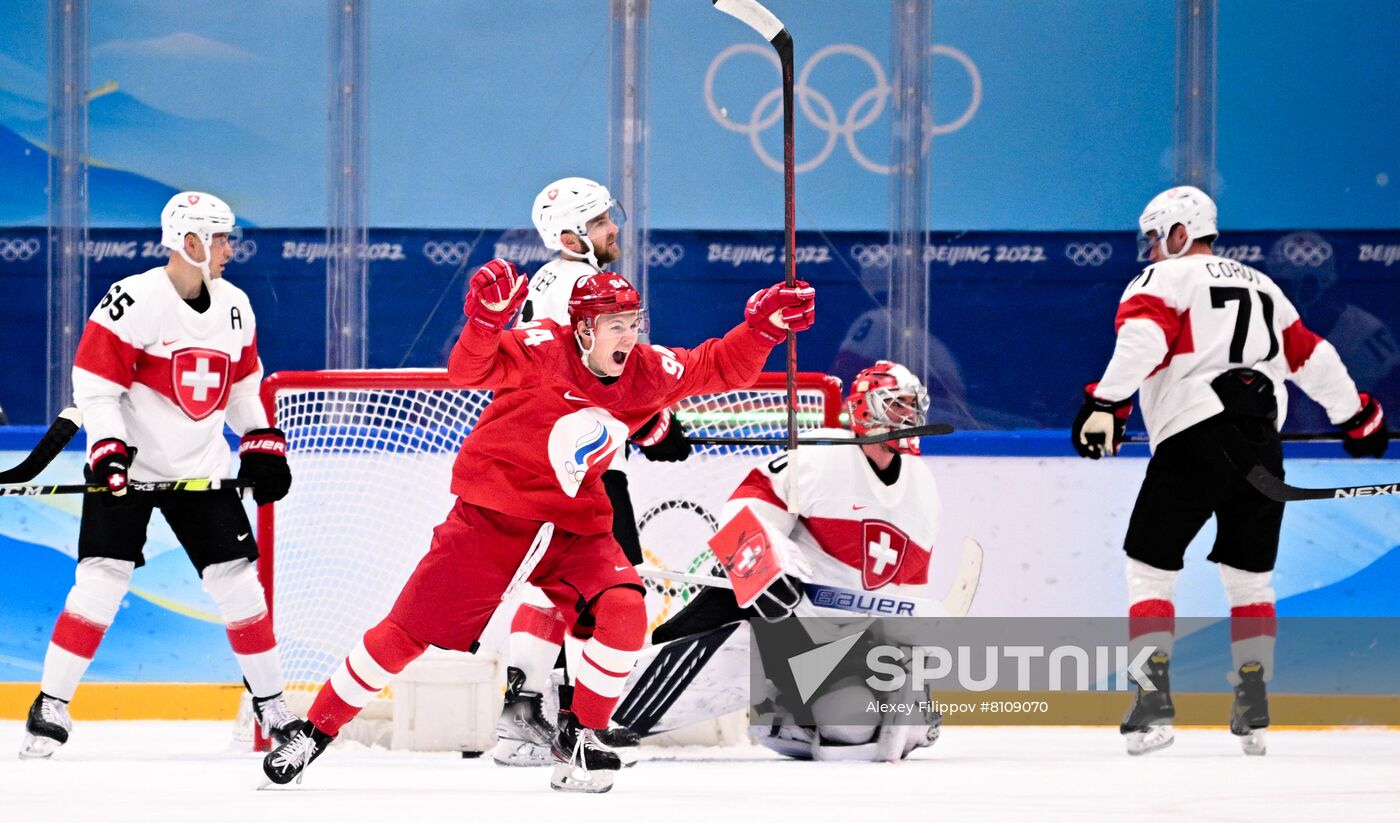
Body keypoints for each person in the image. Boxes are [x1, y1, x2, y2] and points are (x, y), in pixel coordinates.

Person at [261, 259, 814, 792]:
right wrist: (483, 321)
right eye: (613, 326)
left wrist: (761, 330)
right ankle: (315, 731)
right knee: (406, 634)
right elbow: (468, 369)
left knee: (624, 607)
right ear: (581, 330)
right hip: (491, 520)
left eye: (632, 324)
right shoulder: (542, 348)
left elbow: (716, 365)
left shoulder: (646, 370)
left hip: (576, 527)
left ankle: (583, 732)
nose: (628, 336)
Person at [1071, 186, 1388, 757]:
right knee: (1251, 581)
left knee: (1150, 569)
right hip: (1263, 445)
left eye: (1154, 236)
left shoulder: (1163, 281)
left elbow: (1142, 340)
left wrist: (1105, 404)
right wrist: (1356, 417)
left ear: (1179, 231)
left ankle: (1152, 702)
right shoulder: (1265, 286)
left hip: (1192, 436)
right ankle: (1253, 699)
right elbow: (1313, 358)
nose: (1150, 249)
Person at [20, 192, 297, 759]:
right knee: (102, 578)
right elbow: (95, 388)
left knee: (239, 585)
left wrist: (261, 441)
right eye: (219, 238)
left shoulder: (237, 306)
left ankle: (271, 701)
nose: (228, 249)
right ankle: (51, 702)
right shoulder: (132, 299)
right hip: (129, 462)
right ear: (189, 242)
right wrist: (109, 450)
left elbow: (243, 387)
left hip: (200, 468)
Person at [645, 360, 944, 761]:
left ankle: (807, 714)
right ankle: (781, 711)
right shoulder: (820, 456)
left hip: (853, 639)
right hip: (790, 622)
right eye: (895, 405)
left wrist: (904, 654)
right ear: (863, 409)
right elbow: (741, 512)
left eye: (912, 405)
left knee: (893, 723)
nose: (909, 415)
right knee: (850, 724)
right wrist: (766, 569)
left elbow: (903, 594)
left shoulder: (923, 487)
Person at [494, 177, 692, 768]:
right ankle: (583, 729)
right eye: (602, 222)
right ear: (568, 235)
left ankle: (522, 727)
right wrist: (655, 425)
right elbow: (598, 379)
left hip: (557, 462)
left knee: (552, 590)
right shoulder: (581, 286)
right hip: (586, 468)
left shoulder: (551, 280)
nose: (615, 229)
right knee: (607, 594)